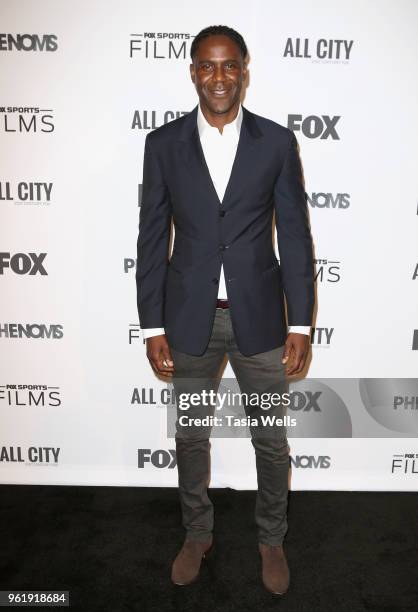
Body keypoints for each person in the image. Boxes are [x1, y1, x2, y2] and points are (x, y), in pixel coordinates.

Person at [136, 25, 315, 595]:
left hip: (260, 320)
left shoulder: (276, 143)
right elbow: (150, 237)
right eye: (208, 66)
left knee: (271, 439)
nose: (219, 77)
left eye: (229, 65)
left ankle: (270, 539)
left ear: (244, 70)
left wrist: (300, 322)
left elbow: (294, 234)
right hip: (188, 318)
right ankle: (197, 533)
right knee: (190, 435)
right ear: (193, 71)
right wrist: (153, 323)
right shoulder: (162, 144)